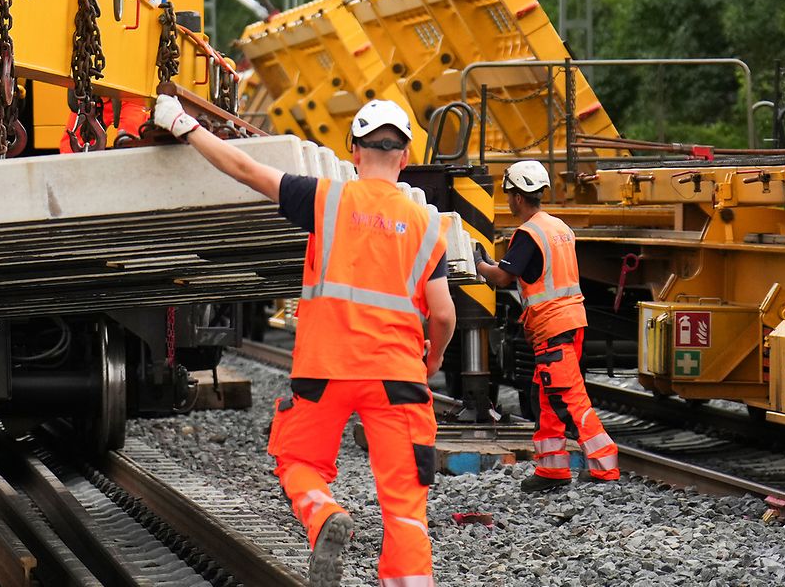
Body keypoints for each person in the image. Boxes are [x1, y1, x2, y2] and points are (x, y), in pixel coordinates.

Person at [153, 94, 453, 587]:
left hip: (323, 368)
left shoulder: (327, 199)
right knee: (405, 503)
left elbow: (246, 169)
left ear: (355, 153)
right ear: (405, 158)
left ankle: (323, 515)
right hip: (397, 376)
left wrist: (185, 126)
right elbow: (442, 313)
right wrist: (432, 358)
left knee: (298, 462)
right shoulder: (427, 227)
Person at [472, 159, 620, 492]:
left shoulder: (527, 234)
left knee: (569, 397)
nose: (509, 200)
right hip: (571, 322)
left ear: (518, 197)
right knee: (546, 395)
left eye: (509, 193)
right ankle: (552, 469)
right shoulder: (559, 228)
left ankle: (605, 465)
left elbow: (505, 276)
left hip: (553, 327)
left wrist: (480, 264)